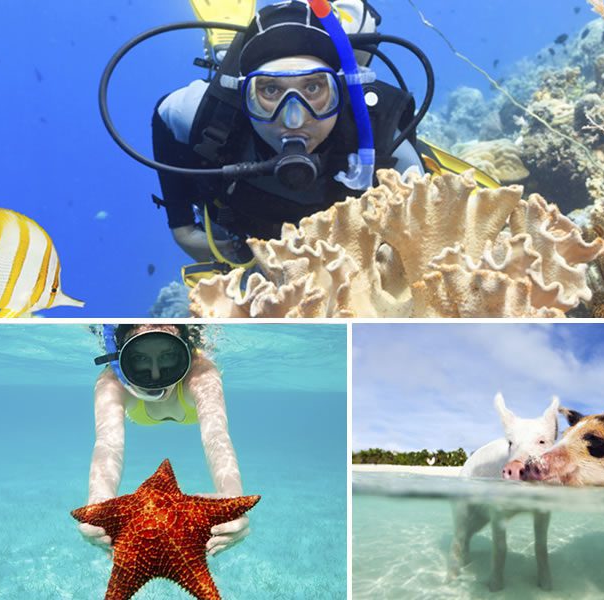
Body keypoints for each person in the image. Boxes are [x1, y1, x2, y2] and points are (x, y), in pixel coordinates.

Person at [151, 0, 423, 266]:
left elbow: (423, 219)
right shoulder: (213, 116)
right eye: (270, 90)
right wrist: (182, 228)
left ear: (340, 91)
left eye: (314, 88)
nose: (294, 119)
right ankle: (228, 49)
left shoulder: (379, 134)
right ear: (244, 97)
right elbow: (165, 114)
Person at [79, 324, 249, 556]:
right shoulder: (112, 382)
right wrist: (98, 503)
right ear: (121, 361)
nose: (156, 375)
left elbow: (217, 435)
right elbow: (107, 443)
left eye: (169, 356)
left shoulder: (201, 375)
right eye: (139, 358)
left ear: (186, 352)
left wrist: (234, 501)